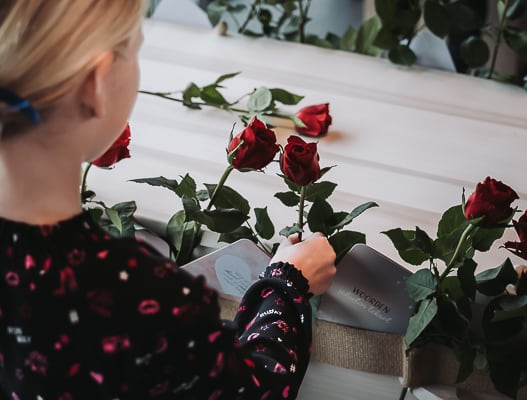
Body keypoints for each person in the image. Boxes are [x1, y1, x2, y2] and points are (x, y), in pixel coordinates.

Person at [0, 1, 337, 399]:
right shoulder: (138, 298)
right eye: (135, 50)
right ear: (96, 82)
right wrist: (286, 284)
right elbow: (251, 390)